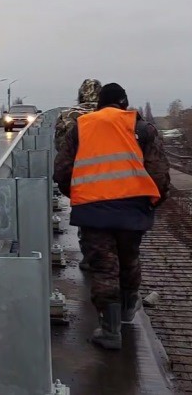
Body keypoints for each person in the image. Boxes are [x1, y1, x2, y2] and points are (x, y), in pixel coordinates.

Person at [53, 82, 171, 350]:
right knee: (129, 259)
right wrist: (152, 202)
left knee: (103, 267)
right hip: (133, 209)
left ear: (97, 103)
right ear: (124, 103)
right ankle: (129, 310)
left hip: (93, 211)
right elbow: (160, 173)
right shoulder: (141, 127)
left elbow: (61, 171)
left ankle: (110, 330)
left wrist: (79, 194)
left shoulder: (81, 127)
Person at [55, 79, 102, 272]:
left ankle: (90, 257)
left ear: (80, 94)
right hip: (114, 173)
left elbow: (60, 148)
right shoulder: (112, 115)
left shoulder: (68, 115)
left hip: (81, 176)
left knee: (87, 218)